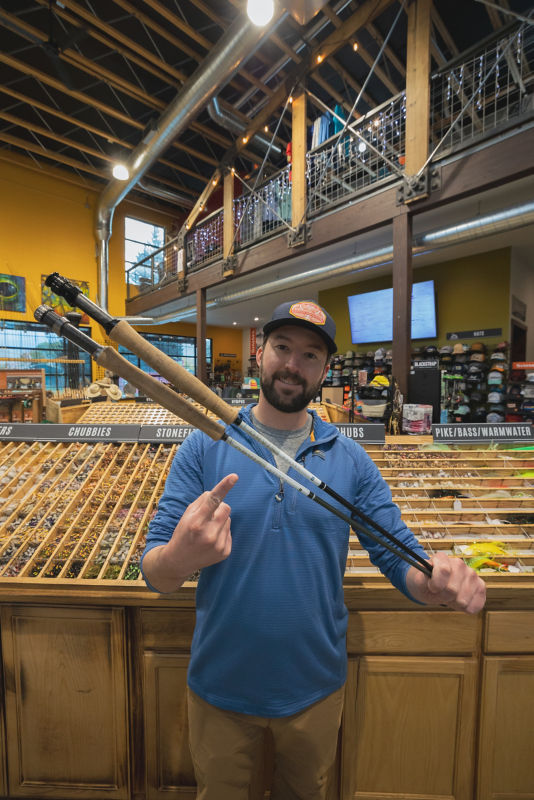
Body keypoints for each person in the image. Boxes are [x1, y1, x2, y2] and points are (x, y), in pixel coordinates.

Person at [141, 299, 486, 800]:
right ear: (261, 352)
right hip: (220, 684)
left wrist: (431, 581)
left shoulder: (350, 460)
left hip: (315, 688)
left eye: (310, 355)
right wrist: (180, 558)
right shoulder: (205, 445)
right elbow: (155, 572)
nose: (292, 365)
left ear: (325, 370)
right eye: (282, 347)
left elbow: (397, 553)